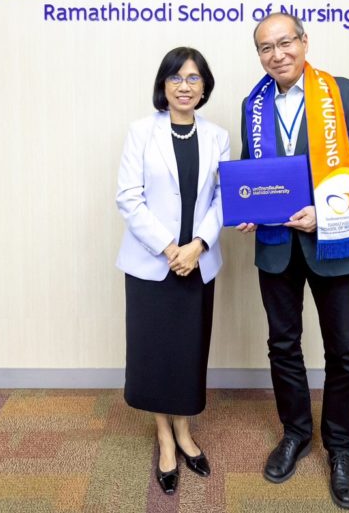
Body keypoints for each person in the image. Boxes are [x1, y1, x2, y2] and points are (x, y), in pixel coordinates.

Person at [237, 13, 349, 510]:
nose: (277, 54)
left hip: (332, 240)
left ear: (304, 42)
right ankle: (296, 433)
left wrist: (327, 210)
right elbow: (252, 171)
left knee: (343, 349)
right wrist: (247, 205)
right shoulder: (253, 105)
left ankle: (340, 448)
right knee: (283, 345)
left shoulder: (341, 91)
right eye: (266, 48)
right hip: (277, 245)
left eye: (285, 43)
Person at [115, 47, 230, 495]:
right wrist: (169, 249)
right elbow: (129, 197)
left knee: (188, 351)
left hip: (197, 263)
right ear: (163, 86)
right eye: (176, 78)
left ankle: (184, 429)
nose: (185, 86)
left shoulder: (217, 137)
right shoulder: (141, 132)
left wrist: (197, 246)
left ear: (204, 87)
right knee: (155, 351)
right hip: (152, 263)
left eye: (194, 78)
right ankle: (165, 436)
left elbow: (223, 198)